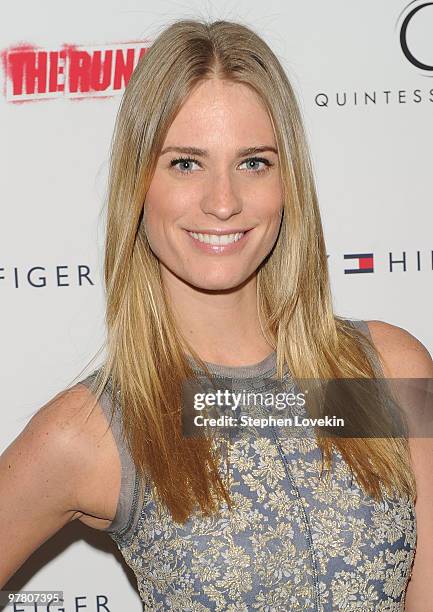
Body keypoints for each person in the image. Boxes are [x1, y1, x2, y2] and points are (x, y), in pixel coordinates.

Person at [1, 18, 432, 611]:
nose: (223, 201)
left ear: (289, 183)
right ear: (139, 183)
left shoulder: (385, 372)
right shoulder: (97, 432)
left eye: (254, 162)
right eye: (186, 163)